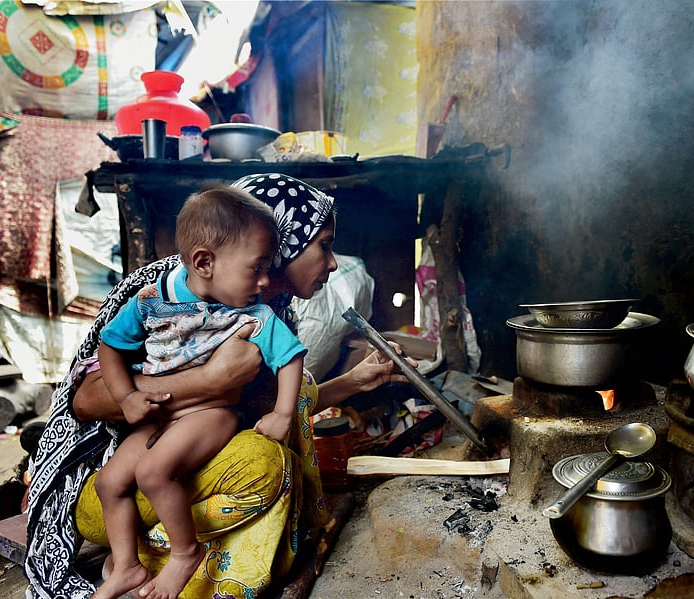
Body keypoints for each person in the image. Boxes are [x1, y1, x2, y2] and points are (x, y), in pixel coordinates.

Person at [24, 173, 417, 599]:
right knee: (264, 464)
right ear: (283, 242)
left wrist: (355, 382)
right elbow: (85, 401)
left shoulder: (267, 309)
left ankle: (166, 557)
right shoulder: (161, 291)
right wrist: (209, 379)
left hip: (175, 456)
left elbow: (273, 398)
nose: (334, 262)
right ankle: (151, 557)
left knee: (265, 453)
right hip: (106, 486)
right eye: (323, 244)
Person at [93, 186, 308, 599]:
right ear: (204, 262)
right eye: (256, 268)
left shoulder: (254, 314)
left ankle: (184, 554)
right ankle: (126, 567)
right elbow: (110, 345)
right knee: (109, 482)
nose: (265, 281)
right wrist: (126, 398)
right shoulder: (152, 299)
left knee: (152, 473)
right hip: (162, 417)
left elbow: (290, 356)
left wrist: (283, 412)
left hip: (213, 414)